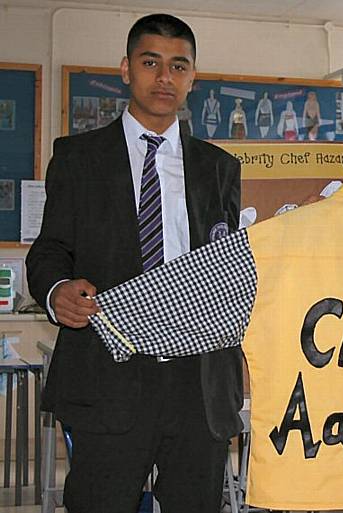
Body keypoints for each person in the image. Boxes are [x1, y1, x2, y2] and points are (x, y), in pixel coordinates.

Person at [26, 13, 243, 513]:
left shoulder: (219, 169)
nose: (164, 77)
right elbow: (50, 249)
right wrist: (57, 289)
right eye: (151, 62)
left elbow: (232, 258)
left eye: (178, 66)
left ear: (192, 77)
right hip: (110, 376)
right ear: (126, 69)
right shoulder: (79, 158)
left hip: (199, 382)